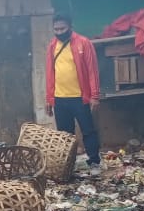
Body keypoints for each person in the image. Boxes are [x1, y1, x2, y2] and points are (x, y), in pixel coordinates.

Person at [44, 13, 102, 170]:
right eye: (56, 29)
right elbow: (50, 73)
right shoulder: (52, 46)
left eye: (62, 28)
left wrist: (95, 96)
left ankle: (94, 162)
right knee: (64, 136)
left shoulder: (83, 43)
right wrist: (49, 98)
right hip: (60, 99)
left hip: (80, 98)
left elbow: (92, 71)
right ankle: (68, 167)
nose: (59, 32)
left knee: (88, 131)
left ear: (70, 27)